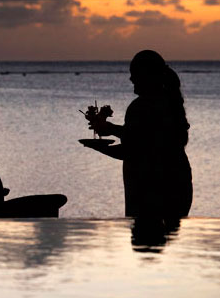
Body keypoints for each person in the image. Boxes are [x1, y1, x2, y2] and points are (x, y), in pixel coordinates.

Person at [81, 50, 193, 228]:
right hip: (177, 186)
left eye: (134, 74)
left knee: (145, 243)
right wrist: (110, 129)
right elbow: (147, 138)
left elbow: (132, 150)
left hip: (149, 191)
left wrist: (98, 146)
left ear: (146, 76)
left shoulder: (140, 107)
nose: (131, 79)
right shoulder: (168, 101)